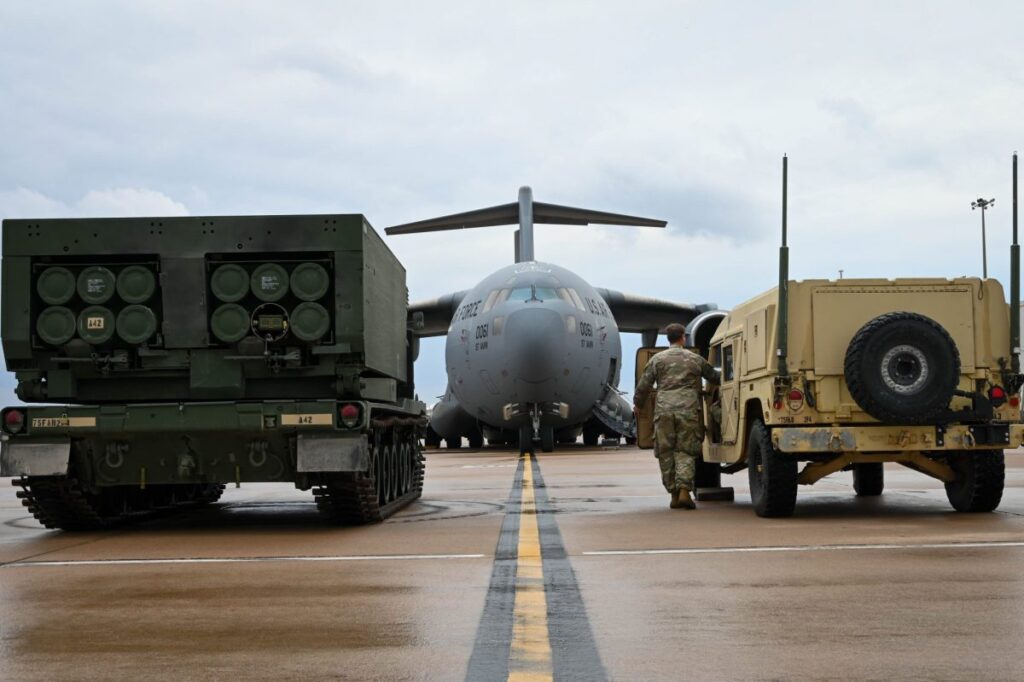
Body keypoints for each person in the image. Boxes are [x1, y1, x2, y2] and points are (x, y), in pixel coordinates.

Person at [633, 323, 720, 509]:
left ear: (668, 338)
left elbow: (643, 387)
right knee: (686, 451)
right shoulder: (694, 359)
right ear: (683, 337)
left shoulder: (657, 360)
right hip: (688, 410)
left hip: (664, 410)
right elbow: (714, 377)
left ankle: (673, 494)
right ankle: (683, 491)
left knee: (666, 452)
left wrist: (638, 405)